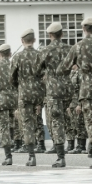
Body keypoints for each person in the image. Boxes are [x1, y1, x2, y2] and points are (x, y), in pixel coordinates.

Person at [58, 18, 92, 168]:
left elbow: (63, 68)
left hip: (88, 89)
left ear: (84, 28)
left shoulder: (79, 46)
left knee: (91, 121)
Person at [36, 23, 71, 168]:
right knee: (71, 121)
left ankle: (60, 157)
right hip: (69, 89)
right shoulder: (70, 49)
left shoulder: (45, 51)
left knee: (56, 122)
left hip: (53, 91)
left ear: (50, 35)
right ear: (62, 34)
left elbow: (37, 71)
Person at [13, 29, 45, 166]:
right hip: (38, 93)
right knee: (38, 119)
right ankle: (42, 143)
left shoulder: (17, 57)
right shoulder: (41, 55)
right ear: (35, 40)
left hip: (24, 94)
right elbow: (45, 76)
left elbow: (12, 78)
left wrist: (19, 86)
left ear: (22, 41)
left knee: (27, 124)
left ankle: (31, 156)